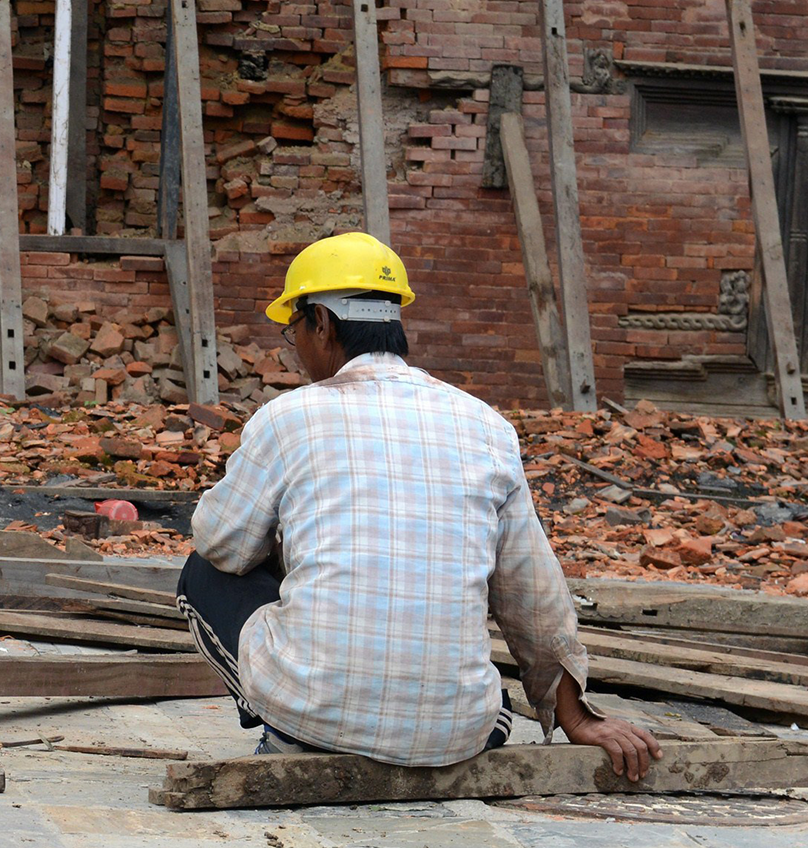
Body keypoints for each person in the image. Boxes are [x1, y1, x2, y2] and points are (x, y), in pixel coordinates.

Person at [177, 232, 661, 778]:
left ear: (322, 325)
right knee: (482, 691)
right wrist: (577, 718)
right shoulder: (486, 425)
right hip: (455, 734)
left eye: (294, 332)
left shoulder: (288, 418)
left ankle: (288, 726)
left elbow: (220, 541)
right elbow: (532, 590)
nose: (298, 349)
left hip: (314, 717)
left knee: (205, 571)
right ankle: (414, 719)